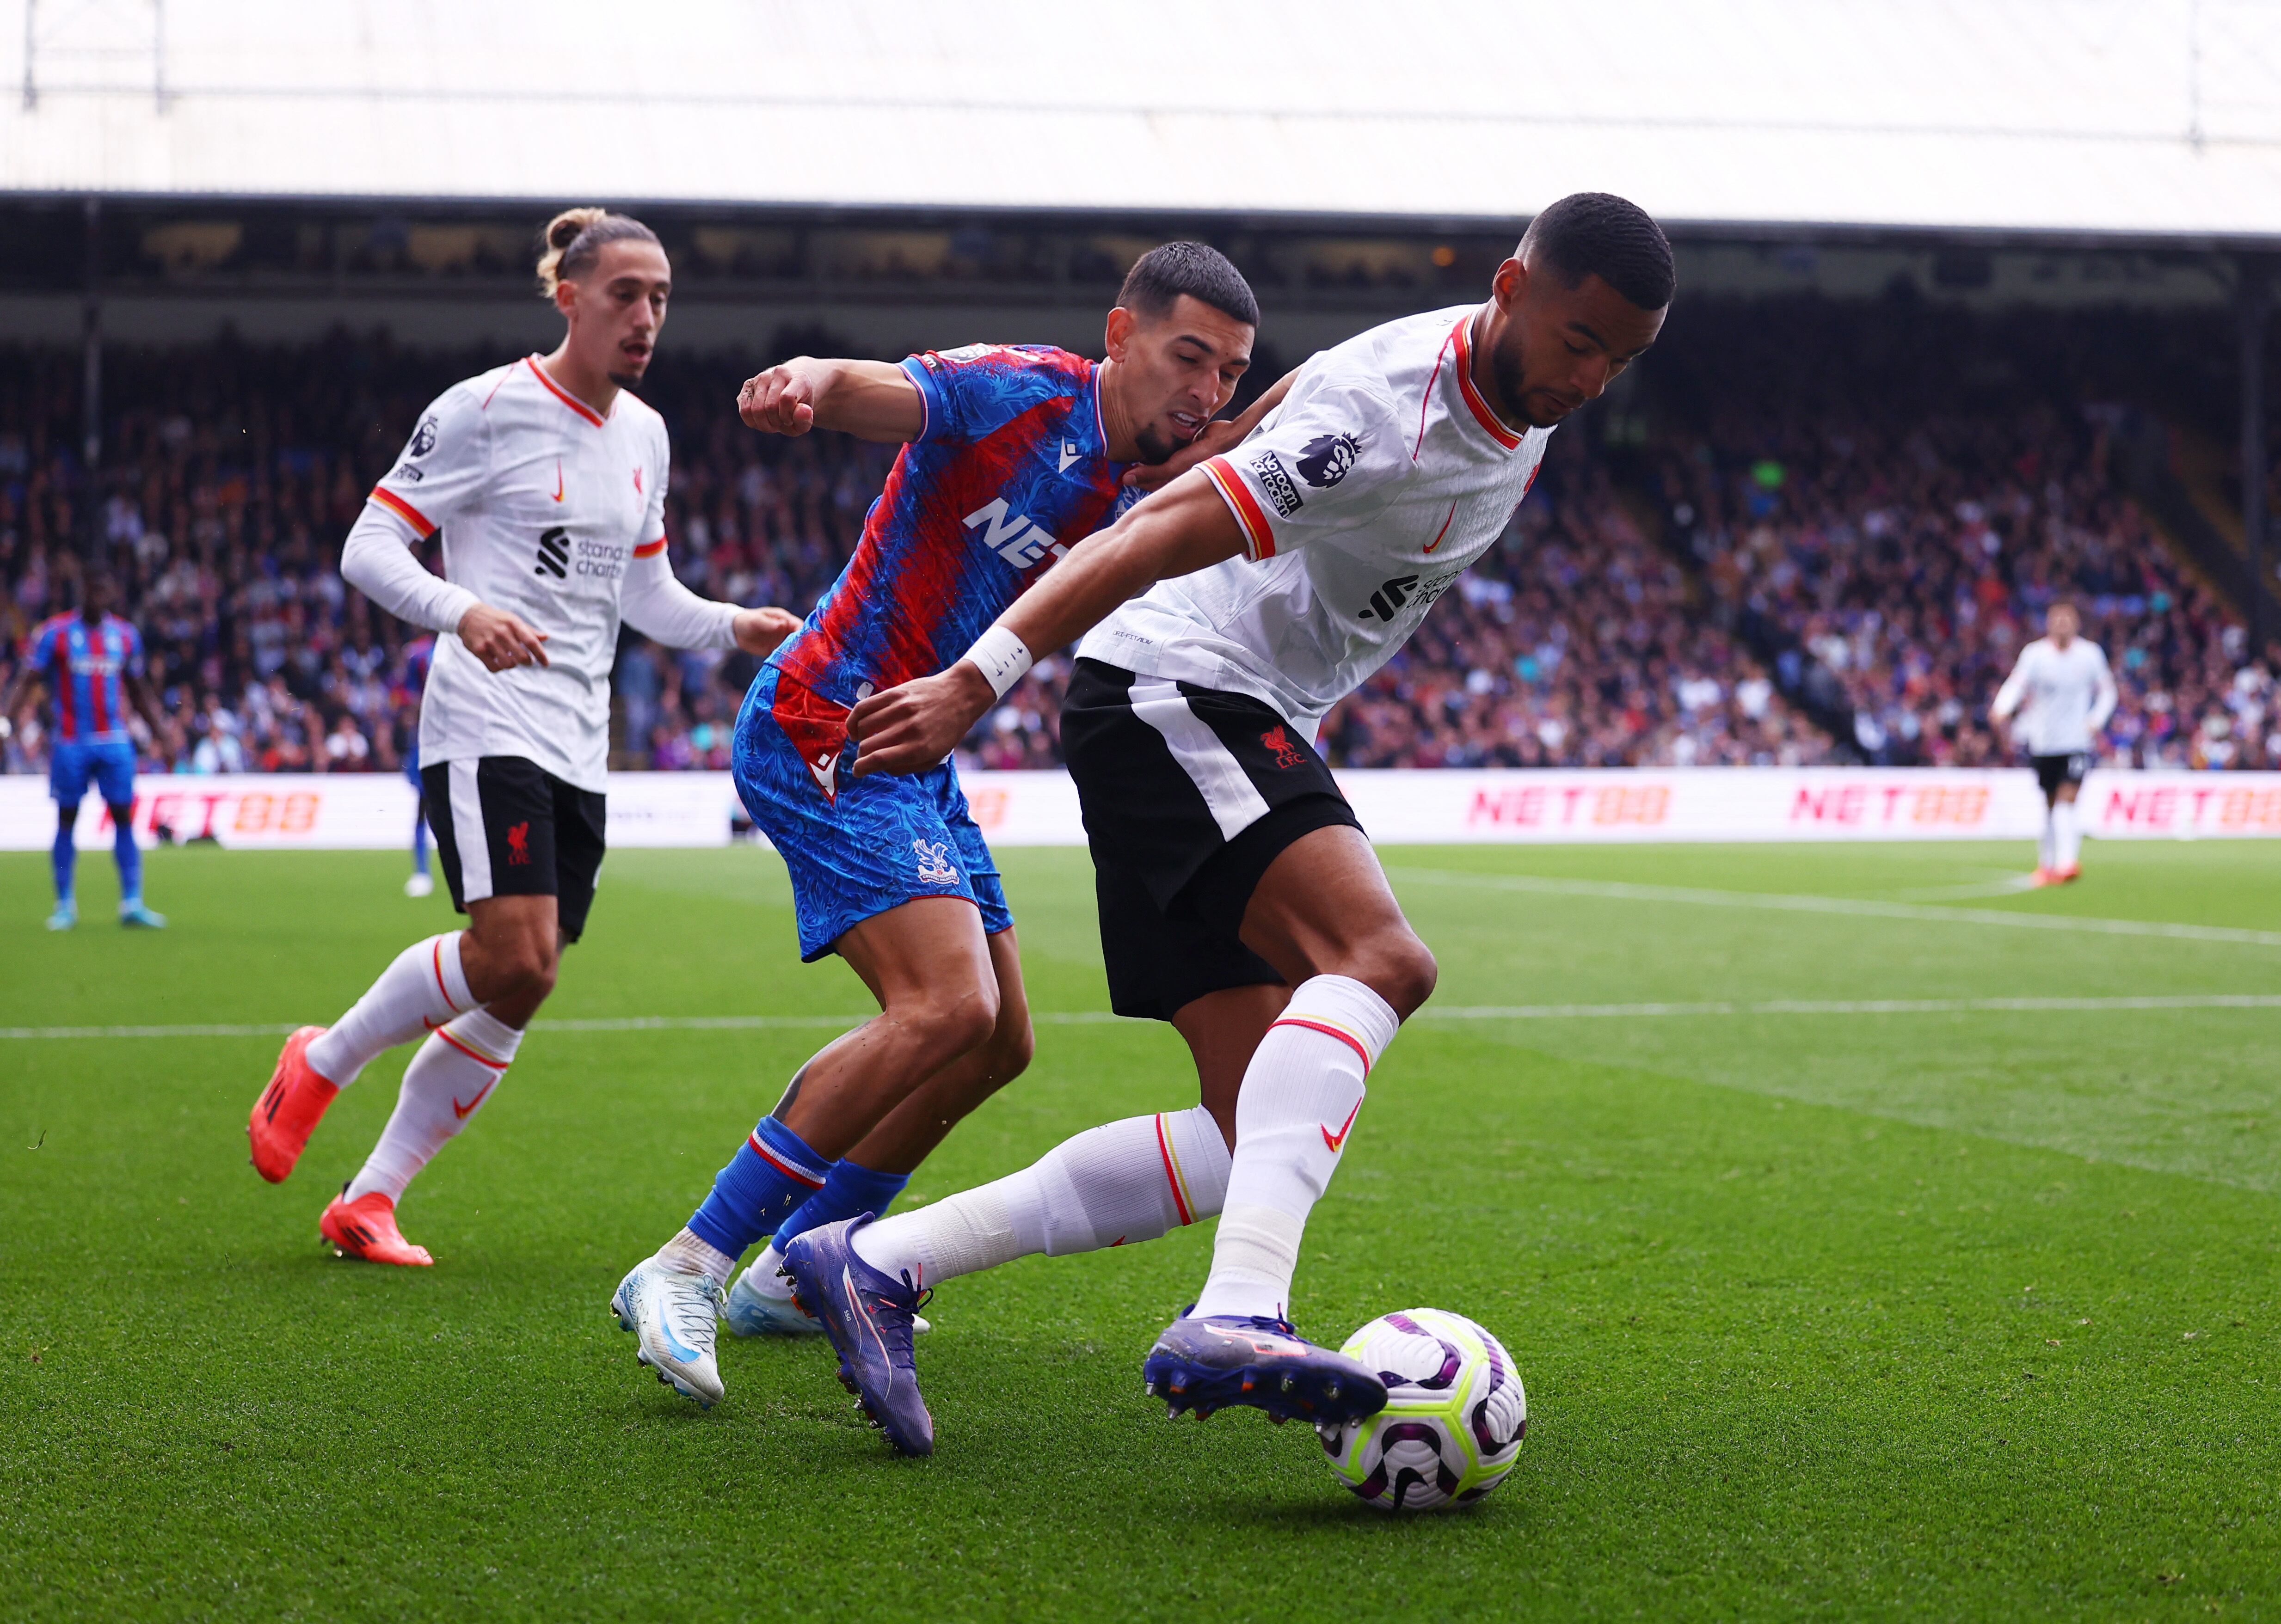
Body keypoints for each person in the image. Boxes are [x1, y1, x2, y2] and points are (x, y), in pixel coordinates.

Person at [791, 193, 1673, 1451]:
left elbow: (1299, 384)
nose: (1590, 380)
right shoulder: (1385, 416)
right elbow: (1153, 532)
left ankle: (874, 1262)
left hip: (1213, 702)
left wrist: (1227, 435)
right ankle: (1240, 1312)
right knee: (1381, 961)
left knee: (1236, 1130)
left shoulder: (1492, 388)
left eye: (1619, 361)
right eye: (1579, 342)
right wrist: (975, 680)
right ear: (1510, 288)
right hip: (1177, 687)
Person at [609, 244, 1277, 1441]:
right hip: (831, 718)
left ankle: (799, 1269)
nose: (1205, 391)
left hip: (921, 751)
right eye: (1187, 357)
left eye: (1228, 373)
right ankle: (690, 1262)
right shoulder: (1028, 391)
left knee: (1001, 1038)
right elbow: (894, 391)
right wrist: (808, 378)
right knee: (943, 1007)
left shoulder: (1160, 485)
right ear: (1119, 333)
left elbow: (1243, 455)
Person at [245, 207, 800, 1267]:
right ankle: (325, 1054)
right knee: (512, 950)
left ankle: (368, 1198)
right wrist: (465, 609)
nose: (647, 316)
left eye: (662, 298)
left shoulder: (645, 433)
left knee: (528, 975)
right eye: (626, 294)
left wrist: (732, 625)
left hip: (576, 742)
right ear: (569, 296)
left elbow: (645, 592)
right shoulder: (484, 408)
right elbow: (370, 548)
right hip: (482, 720)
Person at [0, 570, 173, 930]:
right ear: (82, 592)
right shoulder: (56, 633)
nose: (99, 596)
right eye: (93, 590)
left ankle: (132, 902)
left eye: (104, 590)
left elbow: (138, 688)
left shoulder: (125, 635)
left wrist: (162, 732)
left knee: (124, 817)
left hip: (114, 741)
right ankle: (64, 905)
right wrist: (5, 719)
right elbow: (27, 680)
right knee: (67, 819)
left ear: (111, 593)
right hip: (71, 742)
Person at [1991, 600, 2116, 885]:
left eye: (2067, 619)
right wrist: (2001, 708)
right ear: (2048, 624)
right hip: (2043, 742)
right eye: (2057, 619)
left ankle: (2067, 862)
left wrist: (2095, 720)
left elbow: (2109, 693)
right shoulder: (2035, 655)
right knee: (2048, 806)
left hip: (2076, 742)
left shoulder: (2090, 655)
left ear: (2076, 623)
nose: (2062, 624)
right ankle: (2046, 864)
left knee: (2067, 800)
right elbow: (2016, 684)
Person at [399, 634, 437, 897]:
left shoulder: (466, 645)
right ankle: (422, 871)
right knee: (423, 806)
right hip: (428, 740)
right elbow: (410, 697)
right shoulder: (419, 654)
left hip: (460, 739)